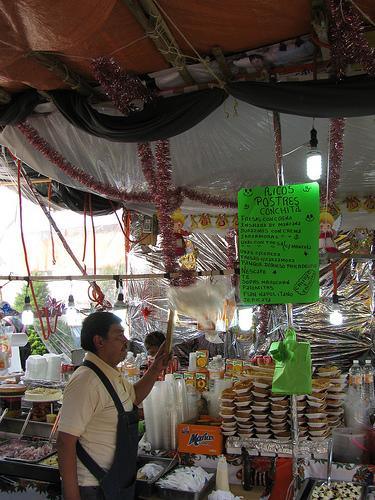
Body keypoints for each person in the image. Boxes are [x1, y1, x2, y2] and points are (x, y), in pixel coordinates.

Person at [57, 311, 173, 500]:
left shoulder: (110, 374)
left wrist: (156, 367)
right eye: (119, 335)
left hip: (115, 483)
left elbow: (133, 397)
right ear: (99, 342)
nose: (126, 340)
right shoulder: (86, 381)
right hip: (93, 486)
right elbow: (64, 443)